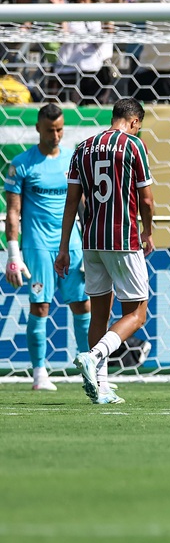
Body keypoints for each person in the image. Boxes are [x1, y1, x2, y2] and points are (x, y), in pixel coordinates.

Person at [59, 98, 155, 406]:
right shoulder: (133, 145)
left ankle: (101, 387)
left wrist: (64, 248)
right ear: (134, 122)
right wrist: (148, 231)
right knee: (137, 314)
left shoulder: (82, 148)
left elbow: (72, 202)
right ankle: (94, 356)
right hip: (122, 238)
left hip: (90, 241)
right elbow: (147, 201)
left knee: (99, 314)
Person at [4, 104, 92, 392]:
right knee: (40, 306)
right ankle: (40, 372)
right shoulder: (21, 164)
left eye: (60, 129)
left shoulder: (73, 161)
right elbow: (13, 211)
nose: (56, 135)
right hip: (38, 244)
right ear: (38, 129)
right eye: (50, 129)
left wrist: (89, 247)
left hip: (72, 243)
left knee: (83, 304)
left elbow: (82, 206)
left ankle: (91, 367)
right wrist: (13, 254)